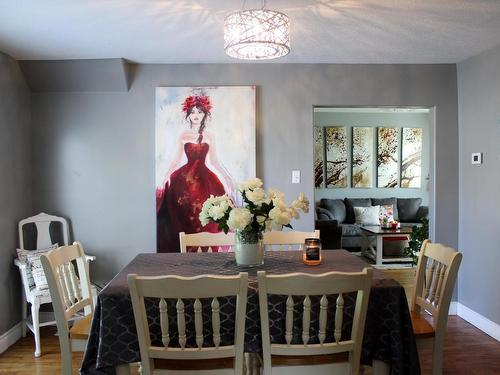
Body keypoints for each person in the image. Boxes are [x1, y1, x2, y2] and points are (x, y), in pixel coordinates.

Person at [157, 94, 234, 252]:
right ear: (188, 114)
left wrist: (227, 177)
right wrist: (165, 175)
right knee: (184, 216)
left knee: (208, 216)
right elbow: (176, 159)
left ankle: (206, 253)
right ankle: (188, 251)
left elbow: (214, 161)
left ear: (205, 114)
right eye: (192, 112)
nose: (196, 116)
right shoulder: (184, 135)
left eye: (199, 112)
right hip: (184, 181)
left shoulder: (210, 136)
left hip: (205, 180)